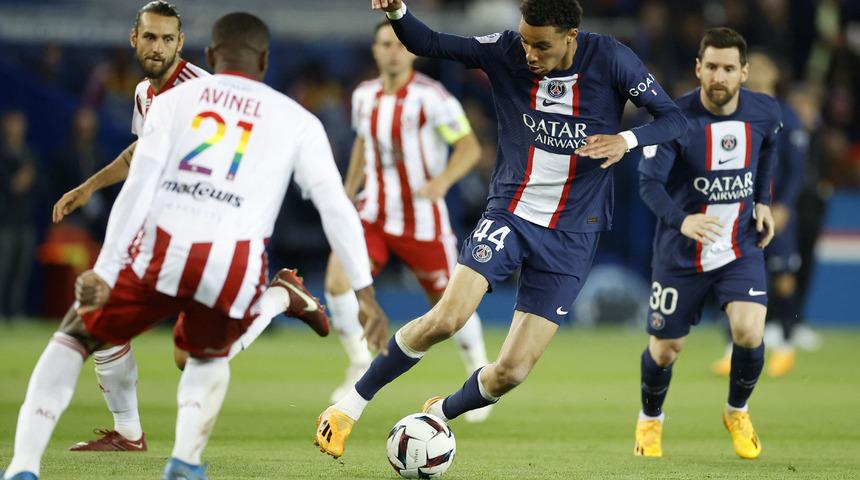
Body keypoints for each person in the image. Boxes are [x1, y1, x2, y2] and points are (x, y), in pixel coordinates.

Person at [1, 11, 389, 480]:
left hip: (165, 245)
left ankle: (23, 467)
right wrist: (364, 293)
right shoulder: (298, 120)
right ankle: (183, 460)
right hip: (234, 262)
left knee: (76, 334)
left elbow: (138, 186)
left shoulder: (176, 100)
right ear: (266, 60)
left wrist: (105, 270)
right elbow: (335, 207)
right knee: (203, 356)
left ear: (204, 52)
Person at [314, 0, 686, 459]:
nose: (530, 54)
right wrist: (397, 11)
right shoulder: (506, 50)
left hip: (574, 232)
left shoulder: (610, 58)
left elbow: (674, 119)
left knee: (511, 371)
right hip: (510, 211)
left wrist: (626, 140)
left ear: (572, 36)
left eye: (542, 46)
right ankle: (348, 407)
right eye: (526, 40)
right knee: (446, 319)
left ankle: (439, 413)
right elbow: (429, 42)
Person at [51, 1, 210, 452]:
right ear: (133, 39)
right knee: (100, 321)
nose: (157, 47)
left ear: (181, 43)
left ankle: (277, 299)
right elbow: (140, 153)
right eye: (149, 37)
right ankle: (127, 432)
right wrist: (88, 186)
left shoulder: (204, 90)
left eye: (167, 39)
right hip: (155, 230)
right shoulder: (144, 93)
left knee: (183, 351)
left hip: (201, 233)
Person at [323, 21, 492, 422]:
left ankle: (477, 369)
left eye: (399, 44)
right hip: (374, 215)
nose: (393, 51)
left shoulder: (433, 98)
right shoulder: (363, 96)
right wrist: (349, 191)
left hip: (422, 221)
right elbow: (363, 143)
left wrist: (442, 182)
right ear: (375, 50)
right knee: (336, 282)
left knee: (449, 307)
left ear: (412, 52)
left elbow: (468, 148)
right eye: (385, 44)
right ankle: (358, 363)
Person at [633, 28, 780, 459]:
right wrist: (683, 221)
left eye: (729, 68)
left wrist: (763, 201)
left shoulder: (765, 112)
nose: (719, 76)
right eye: (711, 66)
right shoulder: (673, 121)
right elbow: (648, 183)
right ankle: (650, 420)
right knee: (665, 350)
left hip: (739, 245)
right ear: (698, 68)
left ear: (744, 73)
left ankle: (737, 410)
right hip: (681, 253)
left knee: (749, 330)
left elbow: (769, 147)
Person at [710, 50, 808, 378]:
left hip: (775, 210)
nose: (760, 72)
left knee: (782, 278)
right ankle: (731, 346)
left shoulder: (786, 115)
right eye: (755, 67)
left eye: (767, 66)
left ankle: (785, 342)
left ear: (774, 73)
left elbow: (797, 169)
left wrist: (785, 205)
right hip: (738, 209)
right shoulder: (732, 112)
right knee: (732, 275)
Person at [0, 110, 38, 323]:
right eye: (12, 124)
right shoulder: (2, 153)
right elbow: (11, 186)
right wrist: (19, 181)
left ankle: (14, 313)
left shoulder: (28, 152)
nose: (16, 128)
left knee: (20, 271)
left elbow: (38, 183)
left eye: (19, 124)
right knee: (2, 269)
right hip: (4, 221)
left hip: (25, 220)